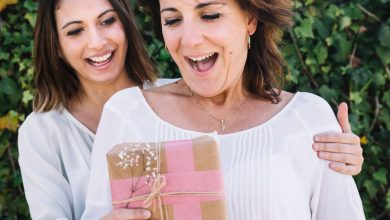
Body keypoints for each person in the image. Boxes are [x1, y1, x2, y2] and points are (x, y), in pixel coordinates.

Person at [18, 0, 363, 219]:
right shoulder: (127, 113)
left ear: (251, 20)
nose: (190, 39)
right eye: (172, 20)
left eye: (210, 14)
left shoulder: (308, 118)